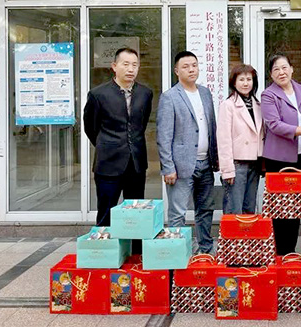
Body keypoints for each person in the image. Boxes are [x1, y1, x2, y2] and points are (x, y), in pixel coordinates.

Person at [83, 47, 153, 228]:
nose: (131, 69)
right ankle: (106, 246)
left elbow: (141, 125)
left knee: (136, 215)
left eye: (135, 65)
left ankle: (136, 246)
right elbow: (90, 127)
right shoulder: (98, 94)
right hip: (108, 164)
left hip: (136, 164)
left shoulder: (145, 93)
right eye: (126, 64)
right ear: (114, 66)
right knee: (106, 213)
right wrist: (107, 144)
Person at [156, 51, 218, 254]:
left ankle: (206, 250)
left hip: (206, 163)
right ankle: (177, 254)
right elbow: (164, 136)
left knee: (205, 209)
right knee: (178, 213)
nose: (191, 69)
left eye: (194, 65)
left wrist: (215, 158)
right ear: (176, 71)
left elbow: (212, 127)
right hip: (181, 166)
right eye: (186, 66)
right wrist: (168, 167)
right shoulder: (170, 97)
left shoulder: (205, 93)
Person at [261, 53, 301, 255]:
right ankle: (280, 253)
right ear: (271, 74)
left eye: (284, 67)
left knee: (297, 206)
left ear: (292, 69)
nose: (281, 72)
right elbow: (274, 124)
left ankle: (291, 252)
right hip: (279, 158)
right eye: (276, 69)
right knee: (280, 207)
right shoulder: (268, 95)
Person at [217, 64, 264, 214]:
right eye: (241, 79)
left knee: (249, 209)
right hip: (237, 164)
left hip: (254, 163)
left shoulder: (258, 105)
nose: (245, 83)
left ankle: (248, 232)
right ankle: (232, 233)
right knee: (234, 210)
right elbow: (223, 140)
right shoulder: (228, 105)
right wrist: (227, 170)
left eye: (249, 79)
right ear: (234, 82)